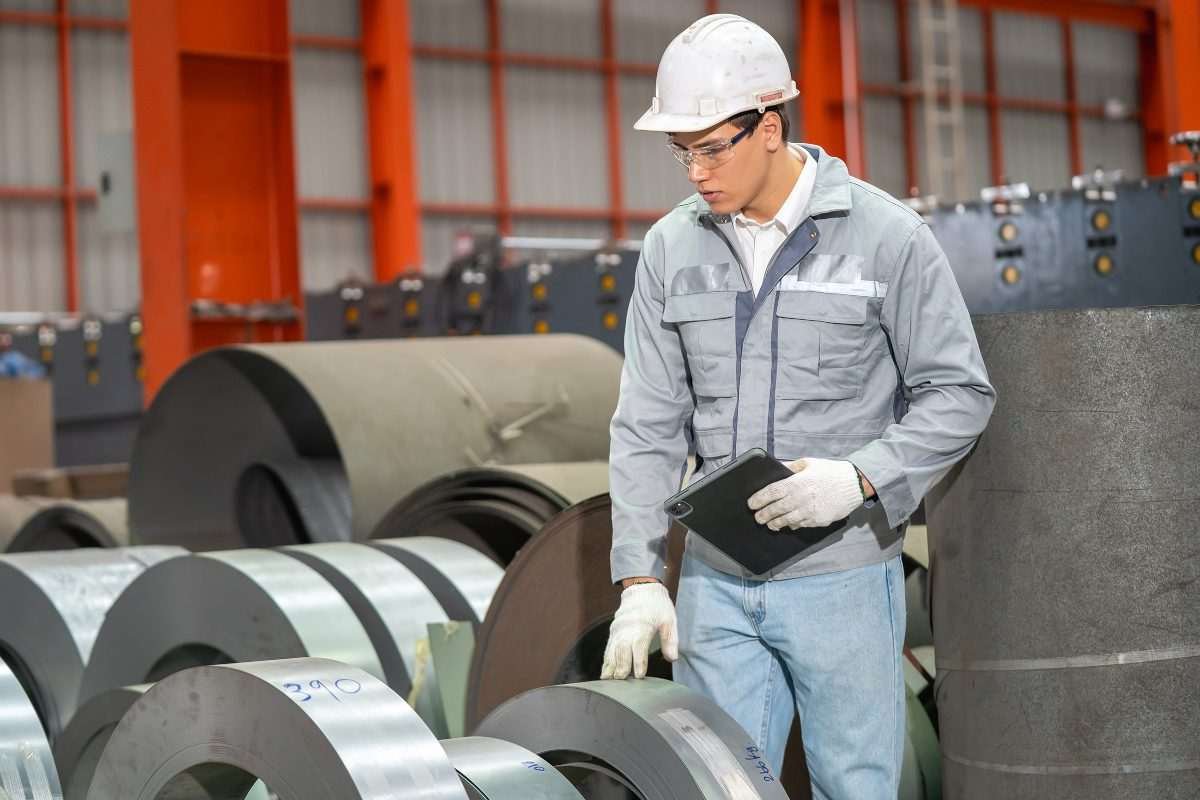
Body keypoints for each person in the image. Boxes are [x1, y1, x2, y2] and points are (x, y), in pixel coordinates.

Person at [600, 13, 996, 798]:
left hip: (842, 576)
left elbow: (960, 393)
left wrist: (861, 478)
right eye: (682, 152)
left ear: (771, 127)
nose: (696, 173)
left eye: (712, 148)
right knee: (718, 788)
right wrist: (640, 581)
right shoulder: (671, 250)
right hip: (715, 579)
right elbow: (647, 424)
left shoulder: (888, 239)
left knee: (854, 787)